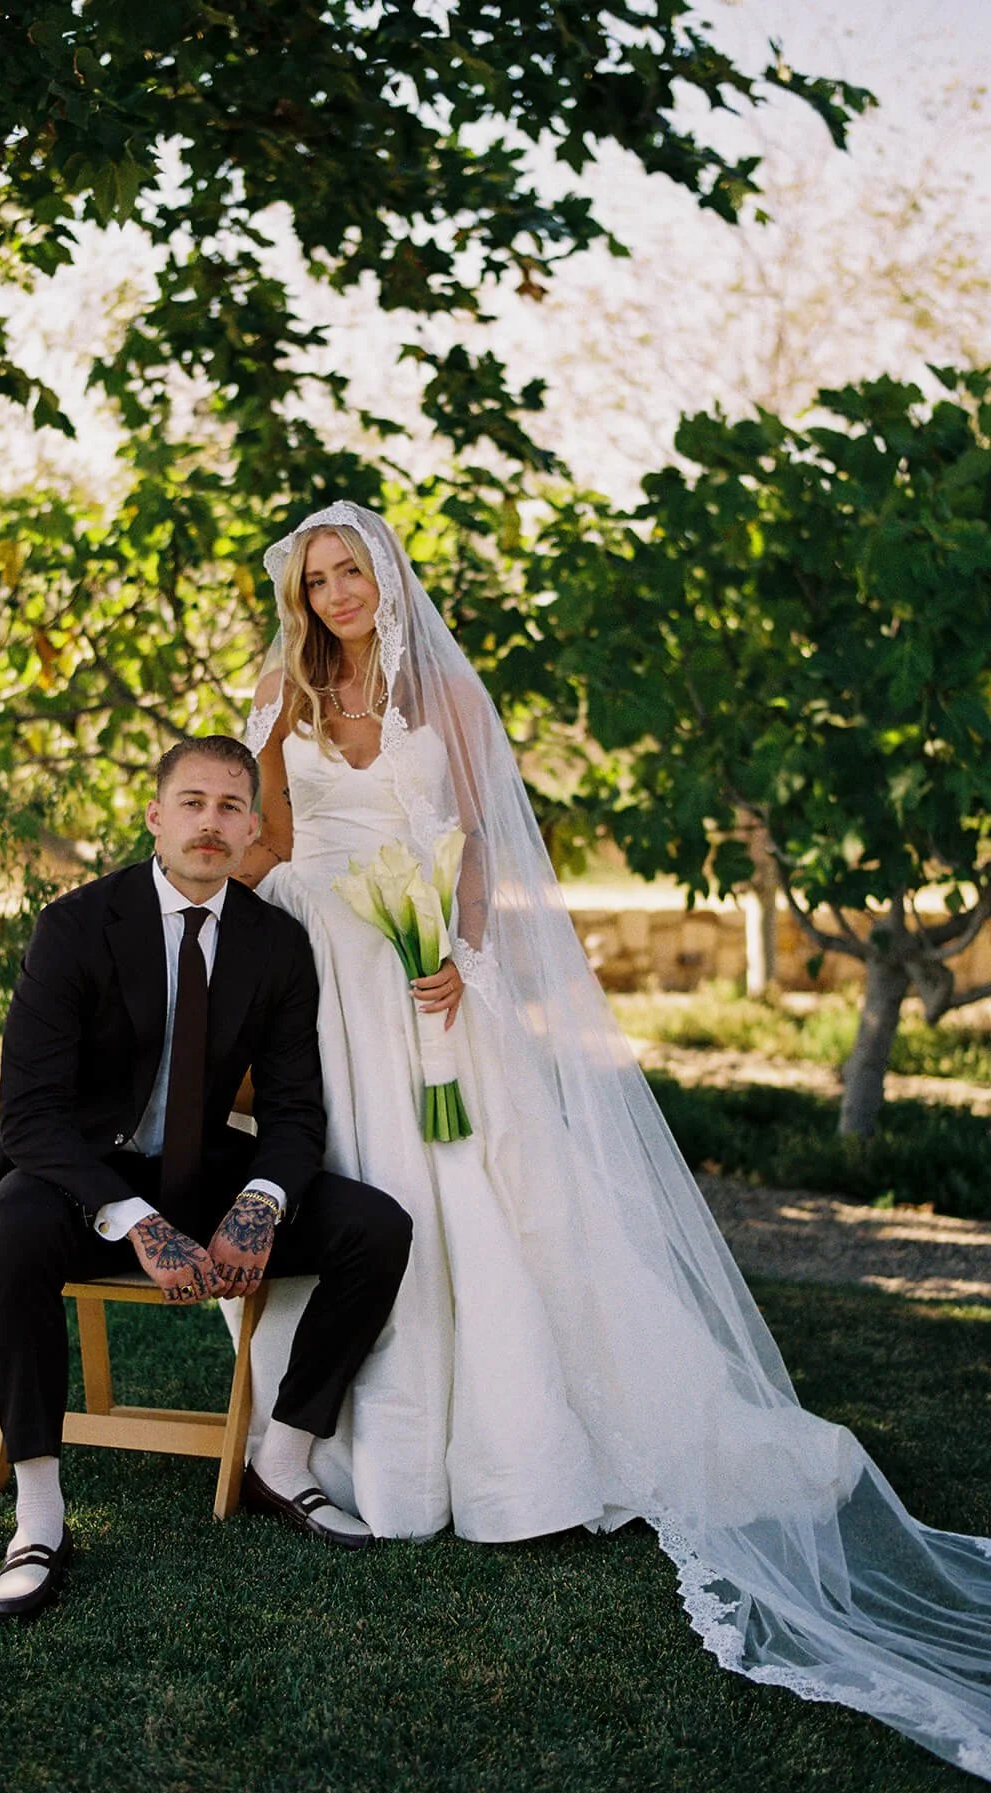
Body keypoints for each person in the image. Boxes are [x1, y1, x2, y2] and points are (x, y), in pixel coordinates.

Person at [236, 501, 991, 1779]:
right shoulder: (282, 690)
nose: (338, 592)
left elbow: (478, 849)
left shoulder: (447, 693)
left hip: (429, 980)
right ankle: (359, 1446)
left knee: (489, 1192)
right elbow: (263, 841)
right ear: (299, 594)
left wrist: (454, 957)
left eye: (351, 568)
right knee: (368, 1185)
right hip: (330, 978)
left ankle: (516, 1450)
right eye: (317, 579)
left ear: (384, 571)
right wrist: (271, 916)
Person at [0, 733, 412, 1619]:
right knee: (14, 1227)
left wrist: (259, 1200)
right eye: (192, 803)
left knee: (378, 1225)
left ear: (254, 829)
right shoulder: (74, 927)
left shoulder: (277, 944)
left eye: (229, 807)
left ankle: (281, 1462)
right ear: (155, 816)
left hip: (204, 1167)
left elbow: (294, 1112)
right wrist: (133, 1217)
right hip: (79, 1178)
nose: (209, 824)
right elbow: (28, 1117)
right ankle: (39, 1514)